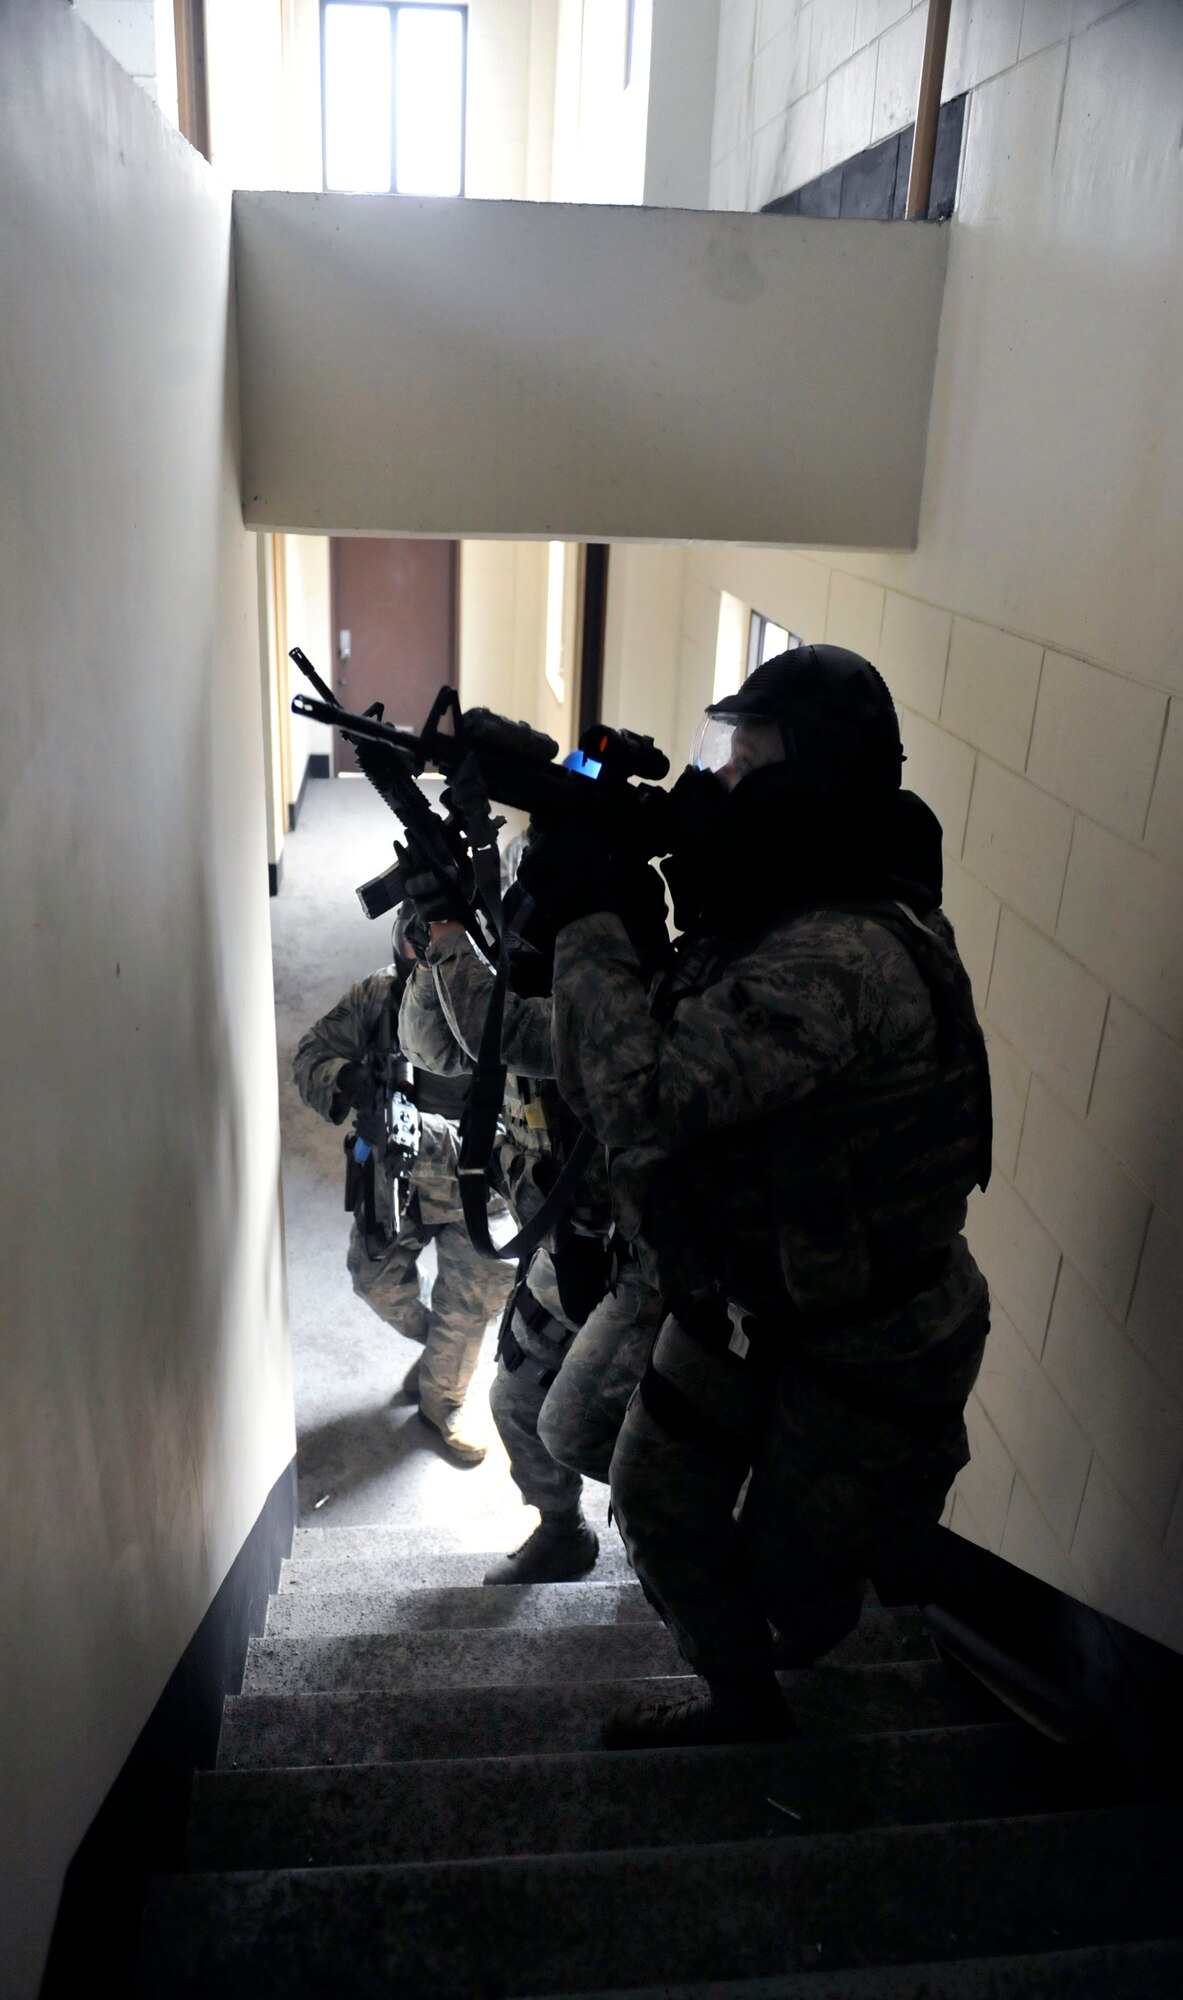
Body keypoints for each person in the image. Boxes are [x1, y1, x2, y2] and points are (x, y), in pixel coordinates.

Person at [517, 645, 993, 1748]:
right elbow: (642, 1040)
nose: (716, 786)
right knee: (654, 1492)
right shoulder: (786, 912)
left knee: (800, 1585)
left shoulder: (836, 956)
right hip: (758, 1298)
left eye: (744, 762)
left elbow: (637, 1097)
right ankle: (742, 1704)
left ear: (810, 780)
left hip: (871, 1336)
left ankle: (812, 1615)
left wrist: (598, 910)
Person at [397, 878, 663, 1581]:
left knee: (633, 1438)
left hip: (644, 1263)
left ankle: (691, 1555)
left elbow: (503, 1032)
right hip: (566, 1246)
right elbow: (430, 1047)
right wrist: (434, 956)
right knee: (514, 1398)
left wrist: (452, 941)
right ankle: (561, 1530)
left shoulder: (616, 1013)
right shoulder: (504, 993)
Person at [292, 914, 515, 1465]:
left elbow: (527, 1130)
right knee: (375, 1283)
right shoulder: (380, 995)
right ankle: (444, 1347)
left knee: (474, 1301)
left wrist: (428, 1137)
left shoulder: (507, 1010)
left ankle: (446, 1399)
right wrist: (347, 1082)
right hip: (398, 1184)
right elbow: (311, 1054)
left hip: (479, 1189)